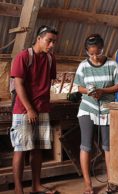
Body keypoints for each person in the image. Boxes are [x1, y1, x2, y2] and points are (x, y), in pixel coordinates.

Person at [10, 25, 58, 194]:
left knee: (37, 149)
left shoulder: (51, 59)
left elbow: (47, 82)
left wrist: (41, 105)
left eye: (54, 42)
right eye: (49, 41)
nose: (51, 45)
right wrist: (30, 108)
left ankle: (36, 186)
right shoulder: (23, 56)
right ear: (39, 38)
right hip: (23, 110)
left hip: (42, 109)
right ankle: (18, 189)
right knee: (21, 149)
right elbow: (18, 84)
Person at [74, 34, 118, 194]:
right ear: (87, 52)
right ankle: (88, 184)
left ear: (103, 48)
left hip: (107, 109)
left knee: (107, 146)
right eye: (91, 53)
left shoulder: (112, 64)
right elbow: (79, 87)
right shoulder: (83, 66)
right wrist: (90, 92)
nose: (95, 56)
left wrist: (103, 91)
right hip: (87, 108)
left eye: (98, 52)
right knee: (86, 145)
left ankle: (111, 181)